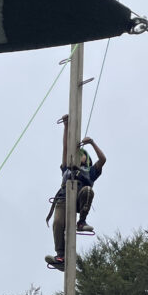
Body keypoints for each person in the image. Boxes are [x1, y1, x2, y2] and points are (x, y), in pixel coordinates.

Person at [45, 114, 106, 270]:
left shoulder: (91, 172)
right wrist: (66, 127)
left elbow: (103, 159)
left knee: (87, 190)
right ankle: (61, 256)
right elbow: (66, 148)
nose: (79, 156)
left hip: (79, 199)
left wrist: (91, 143)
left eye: (82, 155)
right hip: (64, 197)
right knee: (58, 223)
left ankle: (81, 221)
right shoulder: (67, 167)